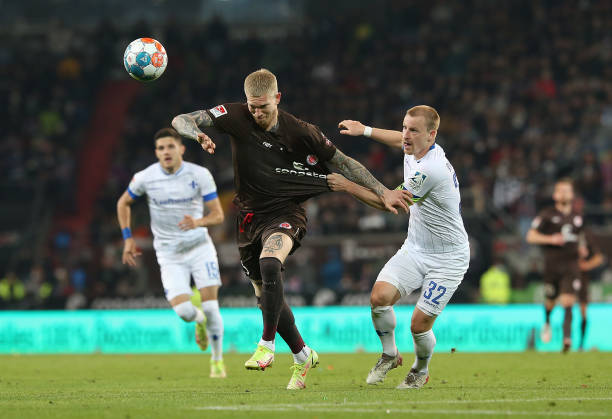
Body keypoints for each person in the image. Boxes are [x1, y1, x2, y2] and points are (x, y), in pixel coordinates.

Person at [171, 68, 410, 390]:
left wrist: (383, 191)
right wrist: (196, 135)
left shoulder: (301, 131)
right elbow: (182, 119)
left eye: (264, 107)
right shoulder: (234, 115)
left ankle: (266, 344)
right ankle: (302, 355)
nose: (256, 113)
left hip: (286, 213)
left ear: (277, 99)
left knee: (271, 263)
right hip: (248, 218)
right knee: (265, 295)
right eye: (252, 107)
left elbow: (345, 162)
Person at [327, 105, 470, 389]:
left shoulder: (430, 169)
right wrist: (364, 130)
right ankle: (390, 354)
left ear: (432, 135)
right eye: (404, 127)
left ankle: (420, 368)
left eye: (413, 130)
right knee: (379, 297)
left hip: (448, 259)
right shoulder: (418, 147)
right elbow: (398, 140)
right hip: (415, 249)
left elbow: (390, 202)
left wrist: (348, 186)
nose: (406, 135)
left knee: (418, 325)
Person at [116, 127, 227, 378]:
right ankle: (198, 322)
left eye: (170, 146)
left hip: (200, 248)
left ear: (181, 149)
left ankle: (217, 362)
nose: (166, 151)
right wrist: (127, 238)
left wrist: (197, 222)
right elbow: (123, 202)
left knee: (212, 308)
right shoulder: (145, 177)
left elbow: (218, 215)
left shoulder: (200, 175)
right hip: (169, 255)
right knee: (186, 313)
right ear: (156, 152)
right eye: (161, 148)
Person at [526, 178, 586, 353]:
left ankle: (567, 339)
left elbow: (580, 236)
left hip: (571, 265)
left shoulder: (578, 217)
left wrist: (582, 248)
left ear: (572, 195)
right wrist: (550, 239)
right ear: (555, 195)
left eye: (568, 190)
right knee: (551, 301)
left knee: (568, 300)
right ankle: (547, 322)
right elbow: (530, 236)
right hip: (552, 265)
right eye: (561, 190)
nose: (565, 193)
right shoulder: (547, 214)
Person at [577, 229, 604, 351]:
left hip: (581, 278)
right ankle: (566, 339)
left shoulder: (585, 236)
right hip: (565, 276)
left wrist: (586, 266)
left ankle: (581, 343)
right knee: (566, 306)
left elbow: (599, 258)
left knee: (583, 310)